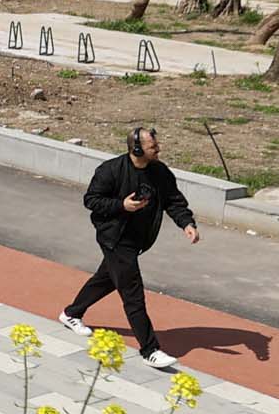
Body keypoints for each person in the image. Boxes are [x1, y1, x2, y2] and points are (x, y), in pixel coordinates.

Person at [61, 126, 199, 370]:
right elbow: (91, 200)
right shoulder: (111, 170)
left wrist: (186, 223)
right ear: (137, 149)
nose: (158, 149)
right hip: (114, 238)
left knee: (107, 278)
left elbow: (173, 200)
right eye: (152, 147)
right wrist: (121, 205)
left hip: (138, 240)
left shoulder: (160, 172)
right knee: (133, 293)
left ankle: (72, 313)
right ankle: (150, 350)